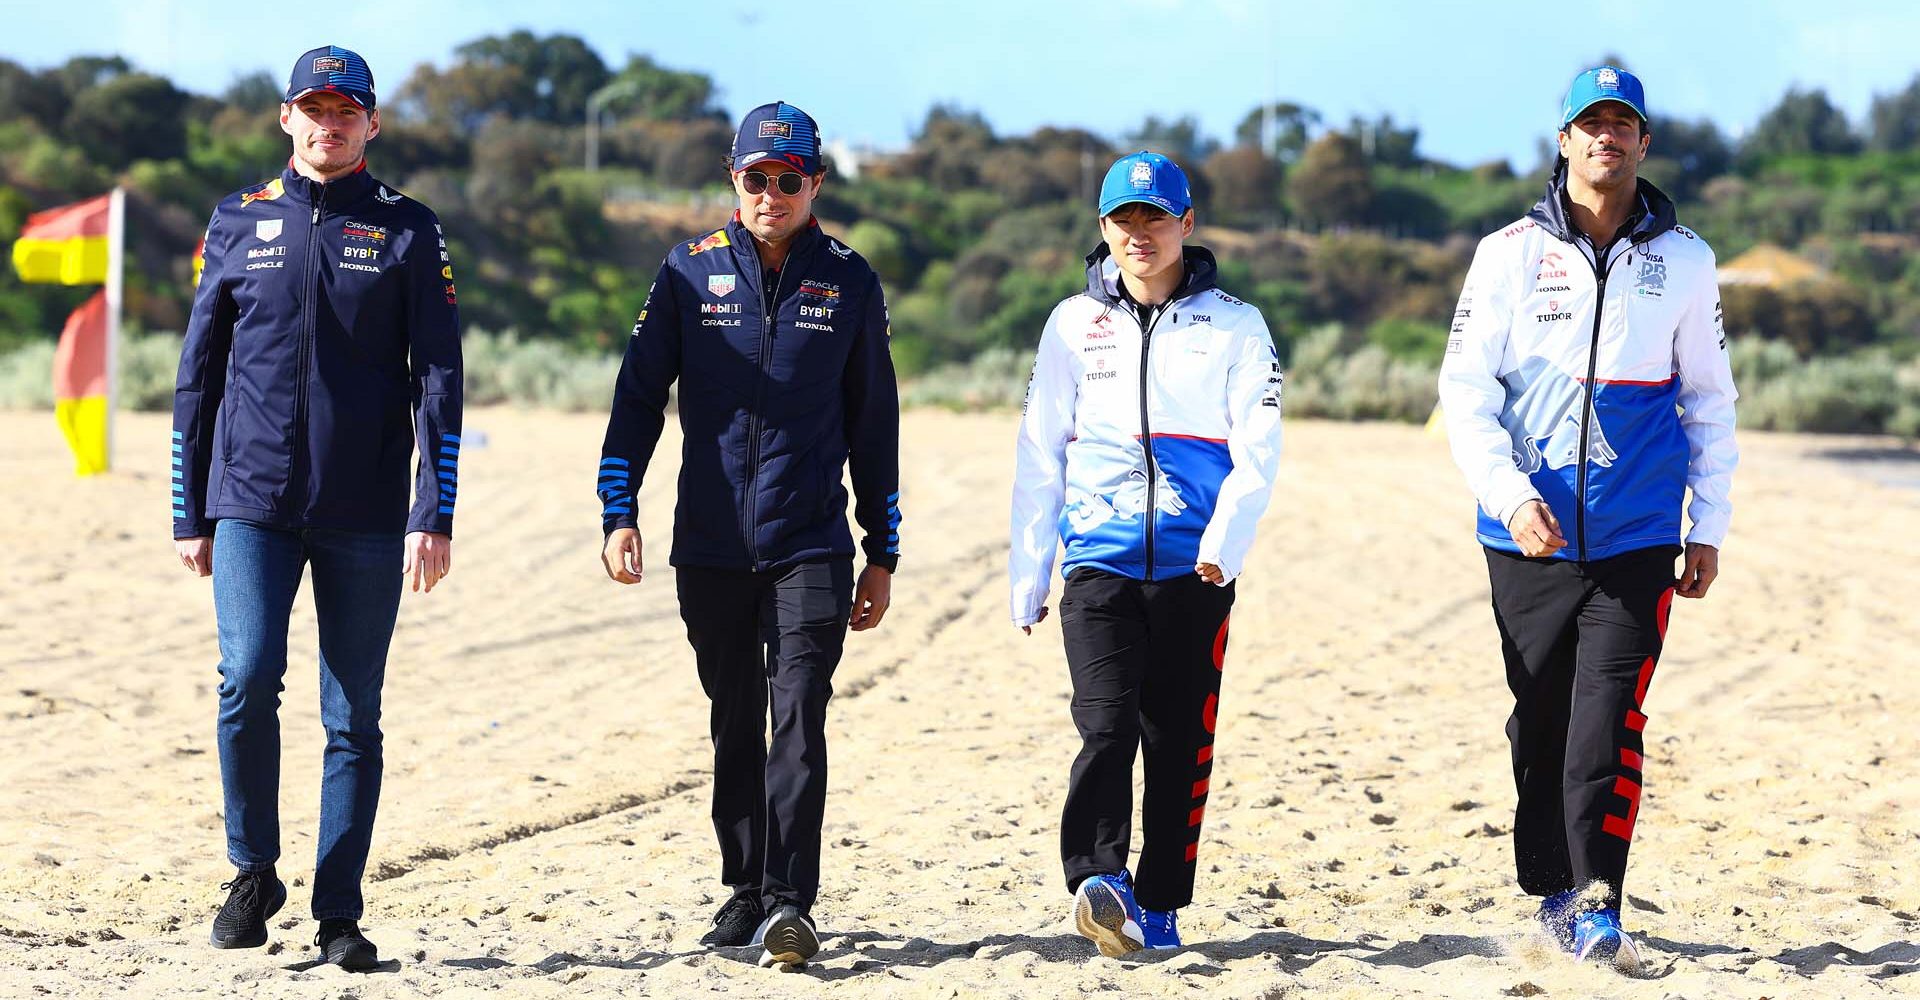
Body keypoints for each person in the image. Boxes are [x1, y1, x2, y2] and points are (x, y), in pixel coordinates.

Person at [1437, 65, 1737, 972]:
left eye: (1624, 123)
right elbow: (1463, 392)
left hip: (1638, 536)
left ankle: (1599, 903)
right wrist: (1510, 496)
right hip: (1523, 536)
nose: (1607, 136)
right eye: (1590, 123)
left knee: (1608, 723)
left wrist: (1708, 523)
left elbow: (1709, 402)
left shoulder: (1685, 261)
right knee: (1541, 723)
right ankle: (1554, 891)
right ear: (1563, 140)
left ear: (1644, 143)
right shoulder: (1507, 254)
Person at [170, 45, 462, 972]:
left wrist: (434, 508)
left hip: (368, 510)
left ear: (371, 125)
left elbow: (440, 376)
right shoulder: (235, 220)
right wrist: (189, 510)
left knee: (353, 713)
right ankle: (253, 872)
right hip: (249, 499)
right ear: (286, 118)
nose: (329, 123)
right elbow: (197, 376)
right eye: (314, 107)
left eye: (347, 110)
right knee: (246, 677)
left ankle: (339, 910)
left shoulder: (410, 229)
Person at [596, 100, 900, 970]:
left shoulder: (849, 280)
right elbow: (637, 398)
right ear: (733, 180)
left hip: (811, 543)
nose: (772, 193)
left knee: (799, 711)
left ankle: (790, 902)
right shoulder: (685, 272)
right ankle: (744, 889)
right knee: (735, 718)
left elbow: (873, 422)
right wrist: (620, 509)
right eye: (755, 178)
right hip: (711, 545)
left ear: (815, 184)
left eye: (789, 179)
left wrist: (883, 547)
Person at [1009, 151, 1283, 957]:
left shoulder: (1237, 323)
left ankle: (1159, 905)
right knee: (1103, 723)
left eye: (1154, 218)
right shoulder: (1070, 324)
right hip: (1098, 560)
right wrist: (1030, 572)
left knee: (1177, 739)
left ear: (1186, 224)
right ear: (1103, 229)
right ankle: (1099, 879)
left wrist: (1223, 545)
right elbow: (1039, 449)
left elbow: (1259, 447)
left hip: (1195, 568)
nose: (1140, 233)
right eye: (1124, 219)